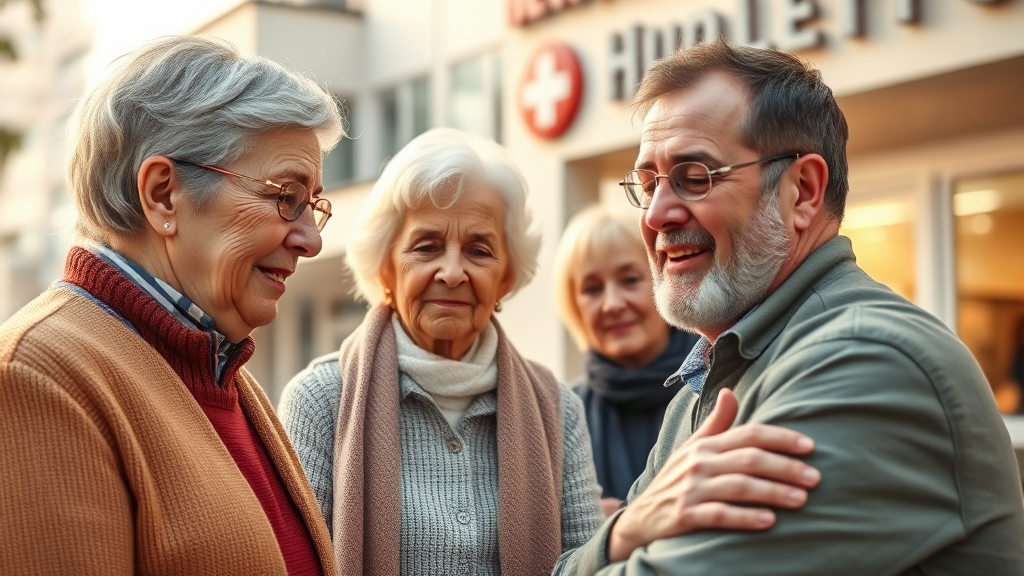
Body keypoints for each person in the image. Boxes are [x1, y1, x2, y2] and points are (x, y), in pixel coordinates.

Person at [555, 39, 1024, 576]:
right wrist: (629, 530)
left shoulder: (866, 362)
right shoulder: (707, 380)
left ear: (802, 191)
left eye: (694, 177)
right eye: (646, 183)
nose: (657, 213)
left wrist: (607, 547)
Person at [278, 127, 817, 576]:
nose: (452, 270)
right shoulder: (323, 400)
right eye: (426, 246)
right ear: (385, 267)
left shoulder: (556, 409)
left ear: (506, 275)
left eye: (479, 249)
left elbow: (591, 565)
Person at [0, 37, 342, 575]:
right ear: (163, 194)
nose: (310, 239)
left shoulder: (219, 369)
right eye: (284, 197)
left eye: (312, 206)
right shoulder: (39, 375)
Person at [554, 205, 699, 515]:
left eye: (630, 280)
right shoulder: (560, 417)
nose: (612, 304)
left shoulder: (719, 383)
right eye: (592, 289)